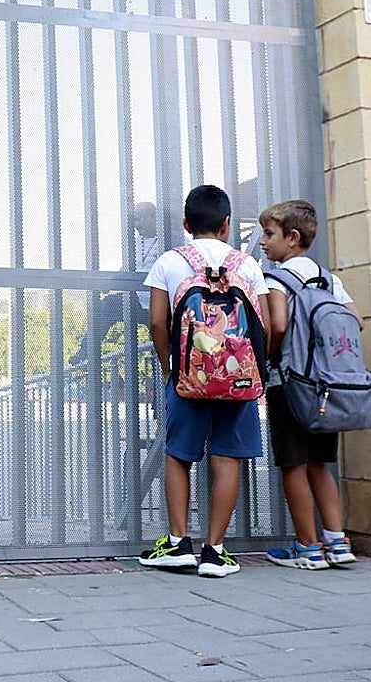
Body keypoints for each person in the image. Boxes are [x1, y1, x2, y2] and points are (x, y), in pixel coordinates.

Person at [137, 184, 269, 578]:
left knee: (179, 454)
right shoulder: (247, 265)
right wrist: (251, 367)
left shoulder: (169, 261)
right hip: (237, 378)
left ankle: (178, 544)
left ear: (184, 224)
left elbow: (157, 321)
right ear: (227, 224)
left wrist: (169, 365)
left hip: (187, 375)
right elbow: (264, 323)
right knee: (226, 457)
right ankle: (215, 551)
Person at [259, 200, 363, 569]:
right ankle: (338, 542)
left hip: (289, 383)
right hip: (326, 387)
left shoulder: (276, 279)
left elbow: (279, 326)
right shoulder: (328, 278)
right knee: (320, 464)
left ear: (292, 237)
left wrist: (264, 358)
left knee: (293, 465)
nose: (262, 242)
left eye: (269, 234)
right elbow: (355, 321)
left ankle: (307, 547)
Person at [73, 201, 161, 363]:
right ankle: (86, 351)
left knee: (160, 344)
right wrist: (109, 285)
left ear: (154, 217)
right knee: (105, 306)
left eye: (140, 219)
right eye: (134, 220)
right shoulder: (134, 243)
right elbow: (125, 268)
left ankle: (162, 370)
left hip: (161, 303)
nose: (137, 225)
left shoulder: (172, 237)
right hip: (138, 300)